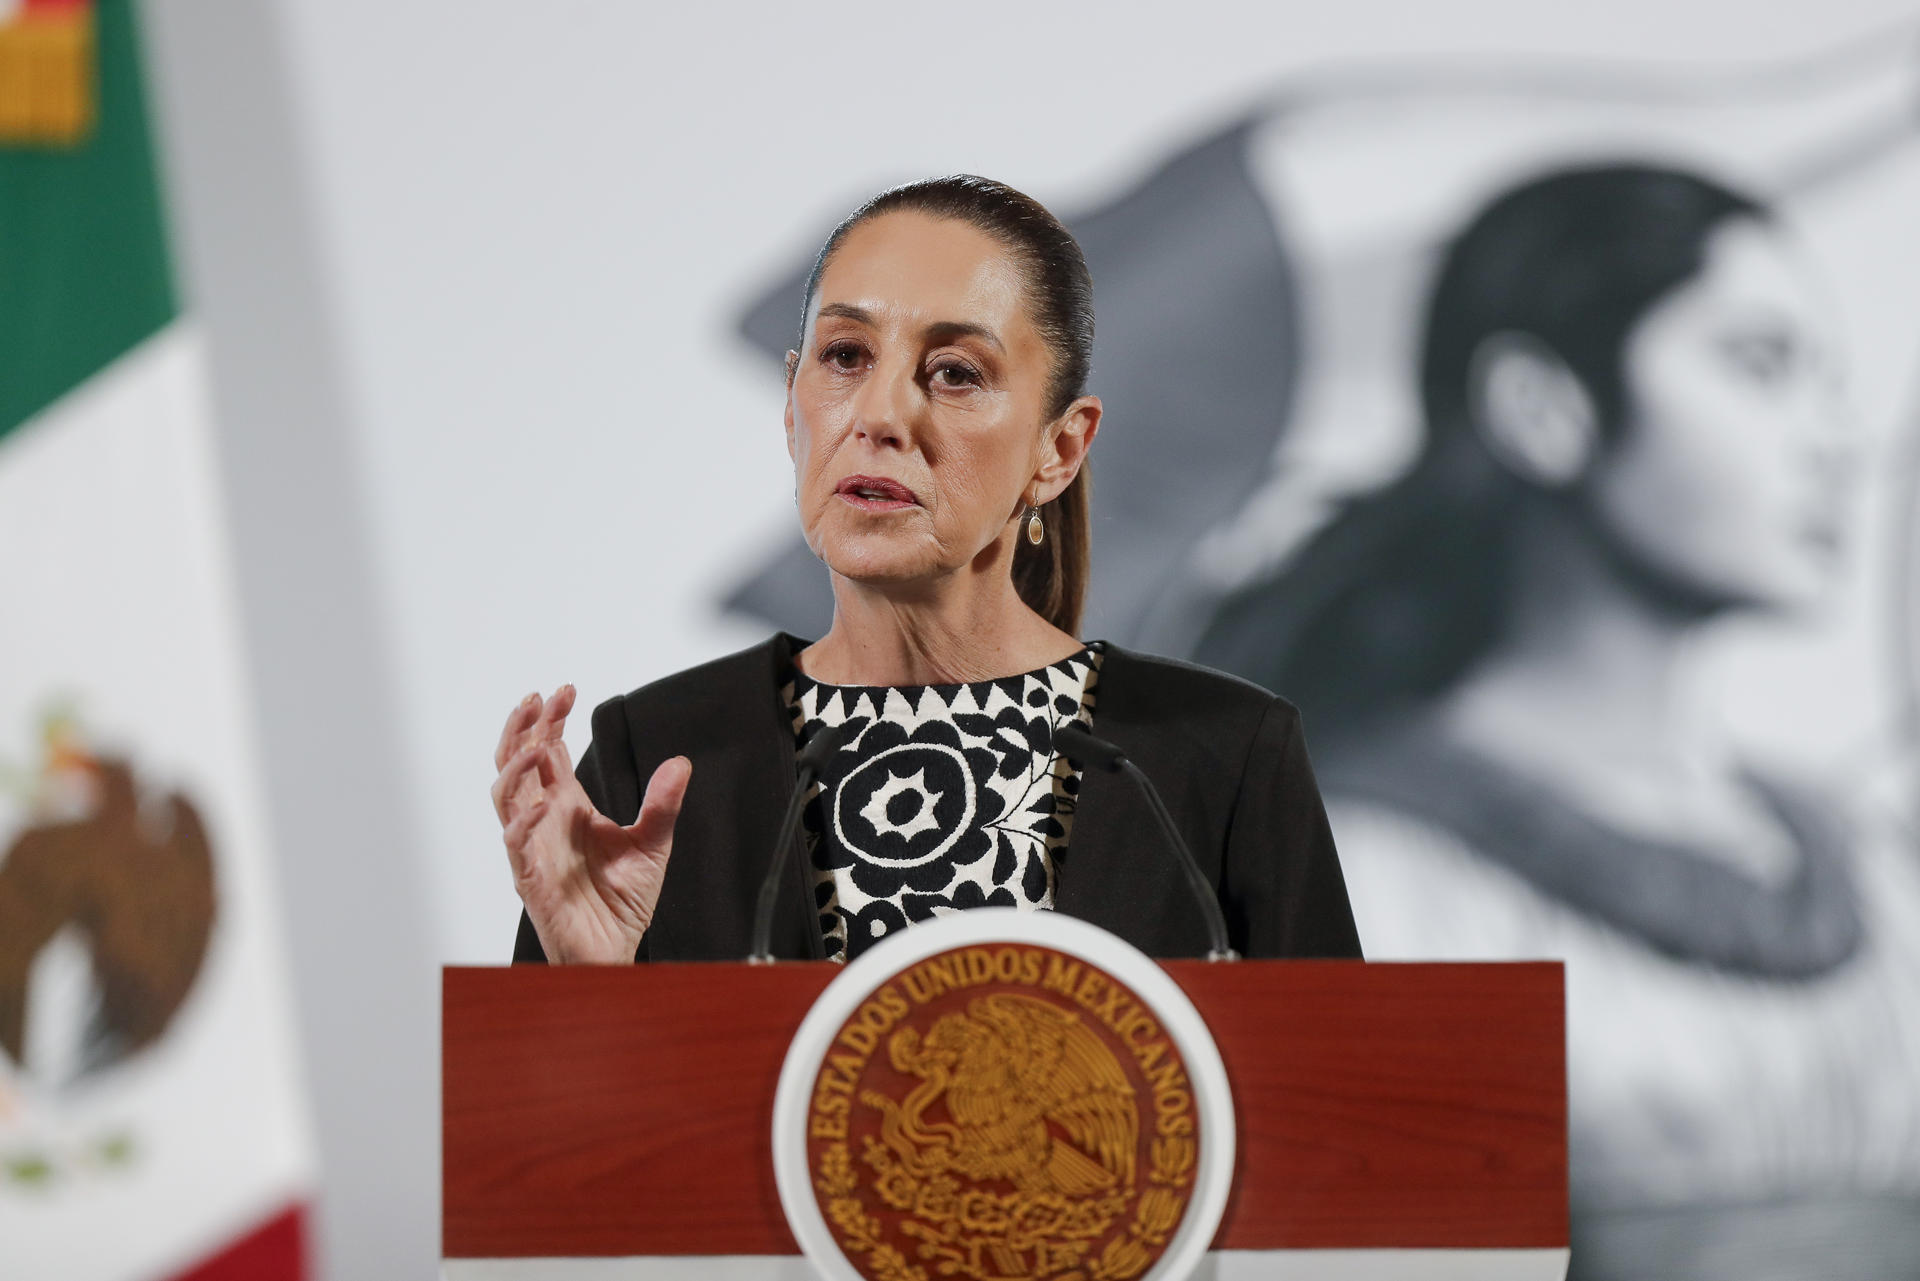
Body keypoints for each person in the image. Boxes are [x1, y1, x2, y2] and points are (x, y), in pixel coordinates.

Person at [1194, 164, 1920, 1280]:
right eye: (1760, 366)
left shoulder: (1878, 872)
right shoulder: (1364, 885)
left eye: (1831, 380)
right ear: (1544, 406)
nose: (1832, 440)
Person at [491, 175, 1362, 967]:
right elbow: (548, 1137)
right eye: (845, 358)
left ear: (1059, 450)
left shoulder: (1225, 757)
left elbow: (1355, 1118)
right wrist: (587, 987)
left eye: (953, 372)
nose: (880, 414)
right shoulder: (662, 764)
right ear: (793, 412)